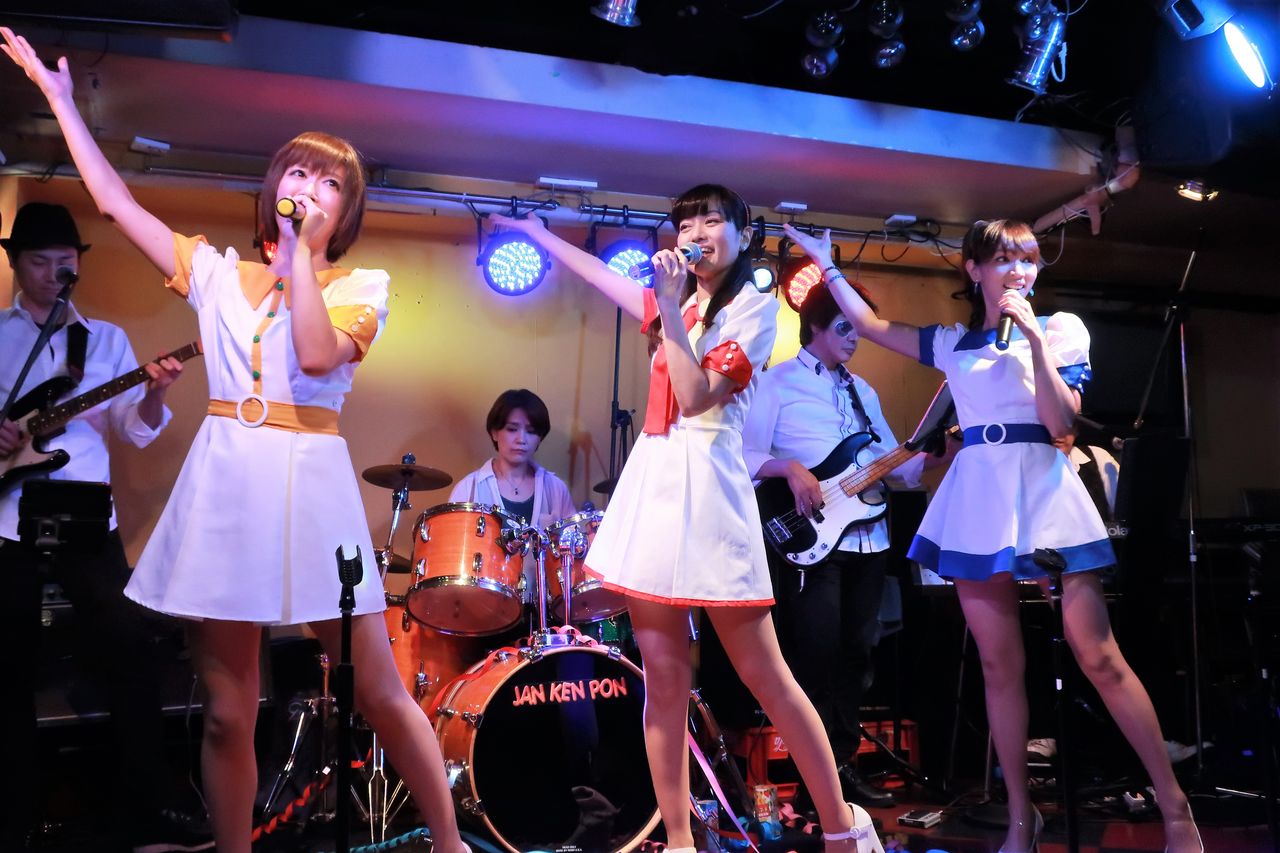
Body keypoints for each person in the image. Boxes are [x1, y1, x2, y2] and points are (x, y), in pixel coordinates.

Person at [2, 29, 470, 853]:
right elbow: (114, 203)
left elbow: (316, 354)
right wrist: (62, 103)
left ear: (346, 212)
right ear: (273, 185)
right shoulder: (215, 272)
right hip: (226, 482)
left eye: (331, 182)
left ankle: (449, 843)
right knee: (226, 710)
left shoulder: (360, 285)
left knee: (378, 691)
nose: (310, 187)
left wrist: (302, 258)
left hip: (311, 483)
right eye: (299, 172)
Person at [782, 218, 1202, 853]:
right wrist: (826, 262)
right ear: (974, 270)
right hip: (979, 494)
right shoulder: (952, 343)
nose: (1019, 272)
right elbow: (868, 324)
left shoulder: (1058, 329)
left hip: (1044, 488)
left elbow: (1061, 424)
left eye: (1028, 260)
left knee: (1098, 656)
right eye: (1005, 259)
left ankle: (1175, 808)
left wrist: (1033, 340)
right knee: (998, 666)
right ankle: (1019, 819)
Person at [492, 186, 866, 852]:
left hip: (712, 483)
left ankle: (841, 827)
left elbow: (695, 398)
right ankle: (679, 838)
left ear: (741, 234)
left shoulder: (752, 309)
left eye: (712, 219)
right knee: (662, 681)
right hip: (657, 482)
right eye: (687, 222)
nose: (696, 232)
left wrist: (666, 305)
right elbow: (605, 277)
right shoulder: (680, 302)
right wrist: (541, 235)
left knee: (766, 675)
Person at [0, 202, 201, 853]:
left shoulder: (106, 341)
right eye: (39, 261)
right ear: (15, 263)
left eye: (65, 261)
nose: (54, 273)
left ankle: (142, 814)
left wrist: (154, 392)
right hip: (7, 520)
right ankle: (11, 822)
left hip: (88, 514)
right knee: (8, 668)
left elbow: (134, 432)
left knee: (131, 652)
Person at [742, 281, 940, 811]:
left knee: (858, 655)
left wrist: (935, 454)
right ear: (816, 325)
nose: (855, 337)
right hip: (810, 537)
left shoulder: (864, 392)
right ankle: (816, 774)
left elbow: (894, 468)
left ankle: (843, 765)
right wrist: (789, 468)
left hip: (870, 540)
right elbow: (743, 456)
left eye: (859, 328)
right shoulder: (776, 384)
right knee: (817, 654)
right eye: (845, 326)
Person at [450, 388, 577, 606]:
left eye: (531, 431)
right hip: (481, 608)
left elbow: (573, 550)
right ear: (494, 432)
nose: (521, 439)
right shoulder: (468, 489)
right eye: (512, 429)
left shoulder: (556, 488)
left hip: (544, 610)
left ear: (539, 438)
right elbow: (451, 556)